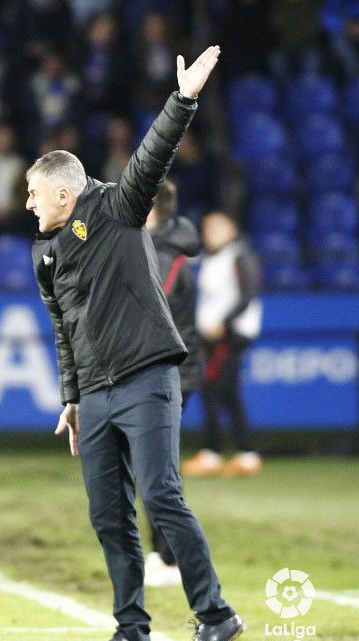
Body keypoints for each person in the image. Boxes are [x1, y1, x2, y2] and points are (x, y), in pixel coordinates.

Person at [27, 46, 243, 641]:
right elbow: (61, 328)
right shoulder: (42, 253)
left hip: (147, 377)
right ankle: (132, 631)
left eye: (36, 194)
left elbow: (154, 153)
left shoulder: (118, 208)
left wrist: (184, 99)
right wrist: (71, 396)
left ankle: (216, 614)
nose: (29, 205)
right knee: (108, 515)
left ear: (66, 192)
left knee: (161, 493)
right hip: (93, 394)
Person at [143, 180, 201, 588]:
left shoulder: (164, 256)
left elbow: (147, 309)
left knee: (155, 468)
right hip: (168, 369)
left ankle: (168, 558)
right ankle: (163, 555)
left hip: (169, 372)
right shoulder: (166, 249)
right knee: (152, 464)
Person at [182, 212, 263, 478]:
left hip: (230, 334)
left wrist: (225, 324)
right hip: (213, 336)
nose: (211, 233)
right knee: (227, 392)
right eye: (207, 228)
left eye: (217, 227)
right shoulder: (213, 258)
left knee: (212, 388)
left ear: (232, 228)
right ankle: (246, 455)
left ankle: (213, 453)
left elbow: (249, 292)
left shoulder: (239, 254)